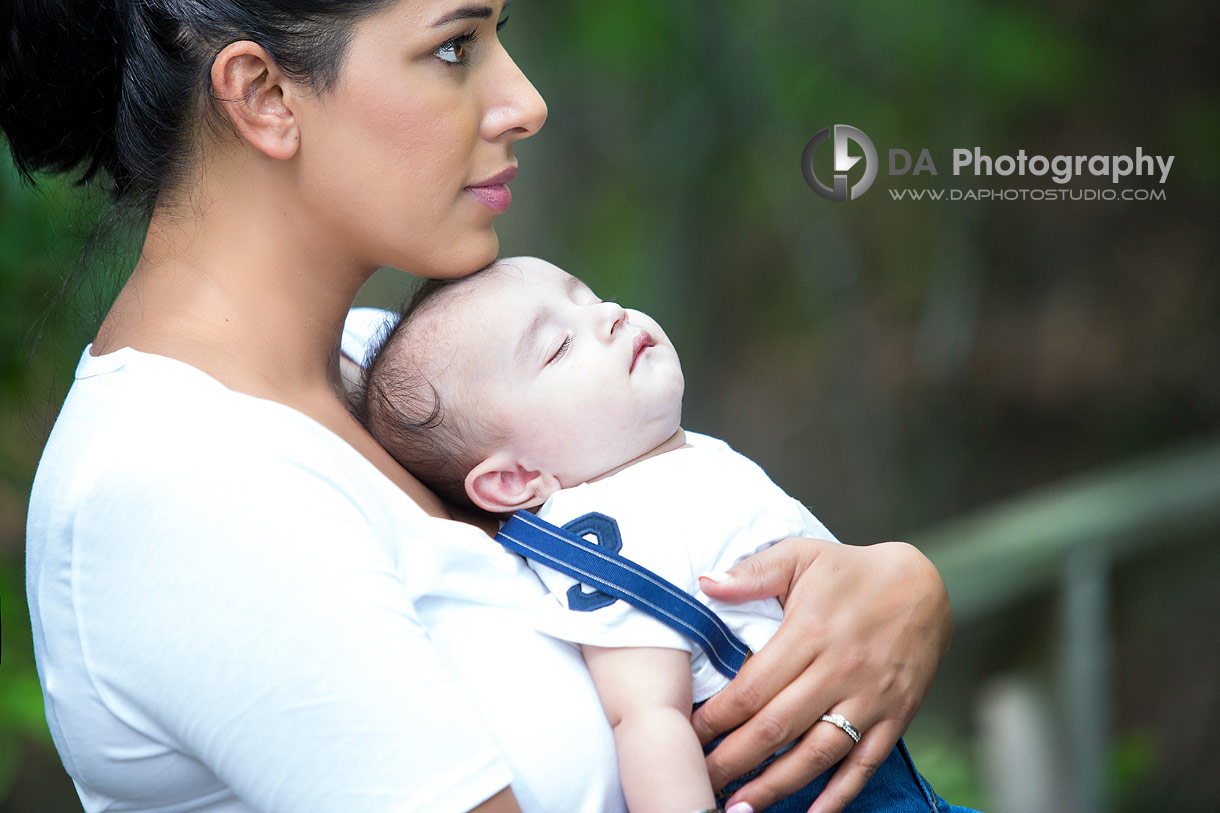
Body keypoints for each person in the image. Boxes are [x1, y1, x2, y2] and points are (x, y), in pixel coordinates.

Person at [5, 1, 954, 811]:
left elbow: (672, 525)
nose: (526, 102)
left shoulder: (376, 362)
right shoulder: (181, 490)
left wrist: (891, 591)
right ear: (264, 94)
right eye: (454, 47)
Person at [355, 257, 970, 813]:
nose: (609, 317)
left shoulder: (670, 469)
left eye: (591, 296)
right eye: (558, 346)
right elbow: (646, 715)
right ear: (516, 479)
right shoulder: (611, 531)